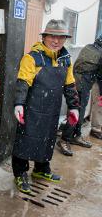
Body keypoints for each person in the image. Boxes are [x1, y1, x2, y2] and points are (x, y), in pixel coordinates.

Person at [12, 19, 80, 194]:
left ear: (65, 39)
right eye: (52, 36)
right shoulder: (32, 57)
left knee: (47, 139)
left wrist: (74, 107)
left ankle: (41, 169)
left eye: (61, 37)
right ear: (44, 37)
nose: (56, 41)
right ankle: (20, 173)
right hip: (31, 109)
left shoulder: (66, 59)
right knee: (26, 140)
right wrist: (19, 104)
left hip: (52, 109)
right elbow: (22, 83)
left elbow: (70, 84)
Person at [57, 34, 102, 155]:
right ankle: (64, 140)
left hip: (76, 81)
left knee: (79, 111)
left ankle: (76, 135)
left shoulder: (89, 47)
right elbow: (101, 77)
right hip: (82, 84)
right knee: (76, 112)